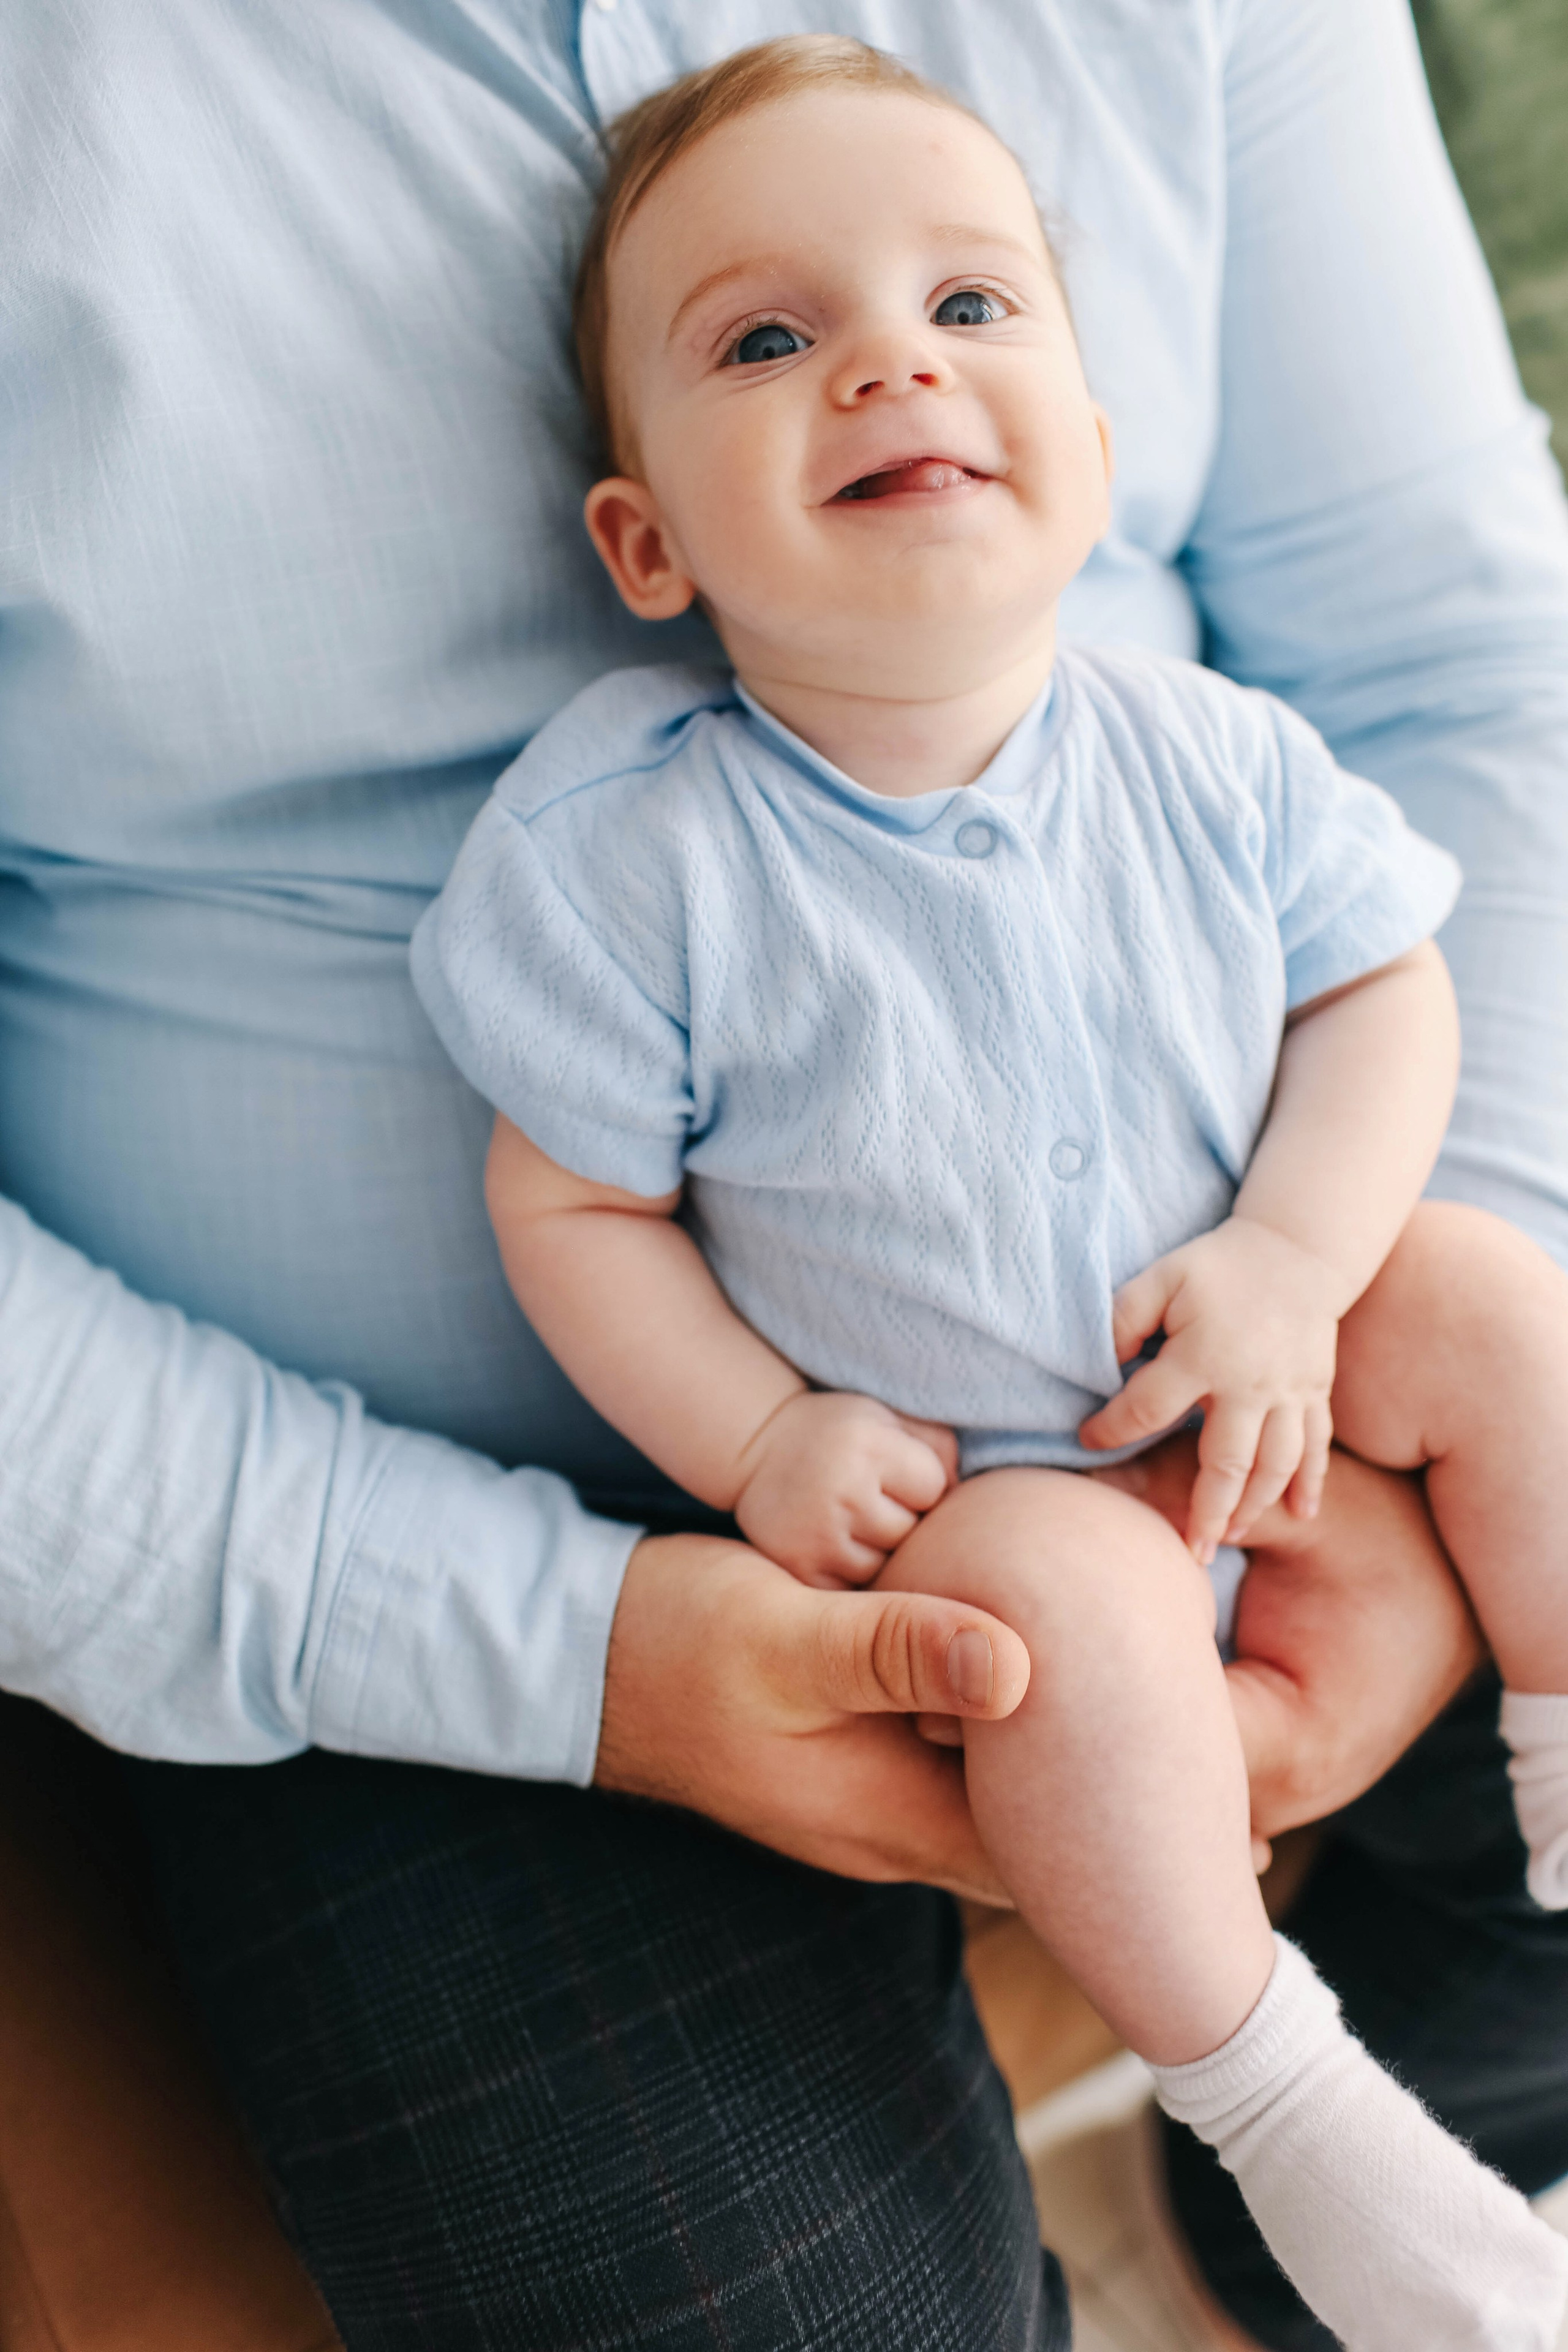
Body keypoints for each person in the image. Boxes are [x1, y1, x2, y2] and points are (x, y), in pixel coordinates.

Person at [1, 4, 1564, 2345]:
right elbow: (578, 1206)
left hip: (1249, 1323)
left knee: (1523, 1328)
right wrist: (733, 1480)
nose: (889, 372)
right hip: (636, 1515)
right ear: (636, 540)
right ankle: (1278, 2100)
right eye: (766, 340)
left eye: (966, 310)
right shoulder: (630, 859)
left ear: (1096, 444)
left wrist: (1312, 1269)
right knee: (1052, 1650)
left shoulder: (1209, 756)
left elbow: (1425, 837)